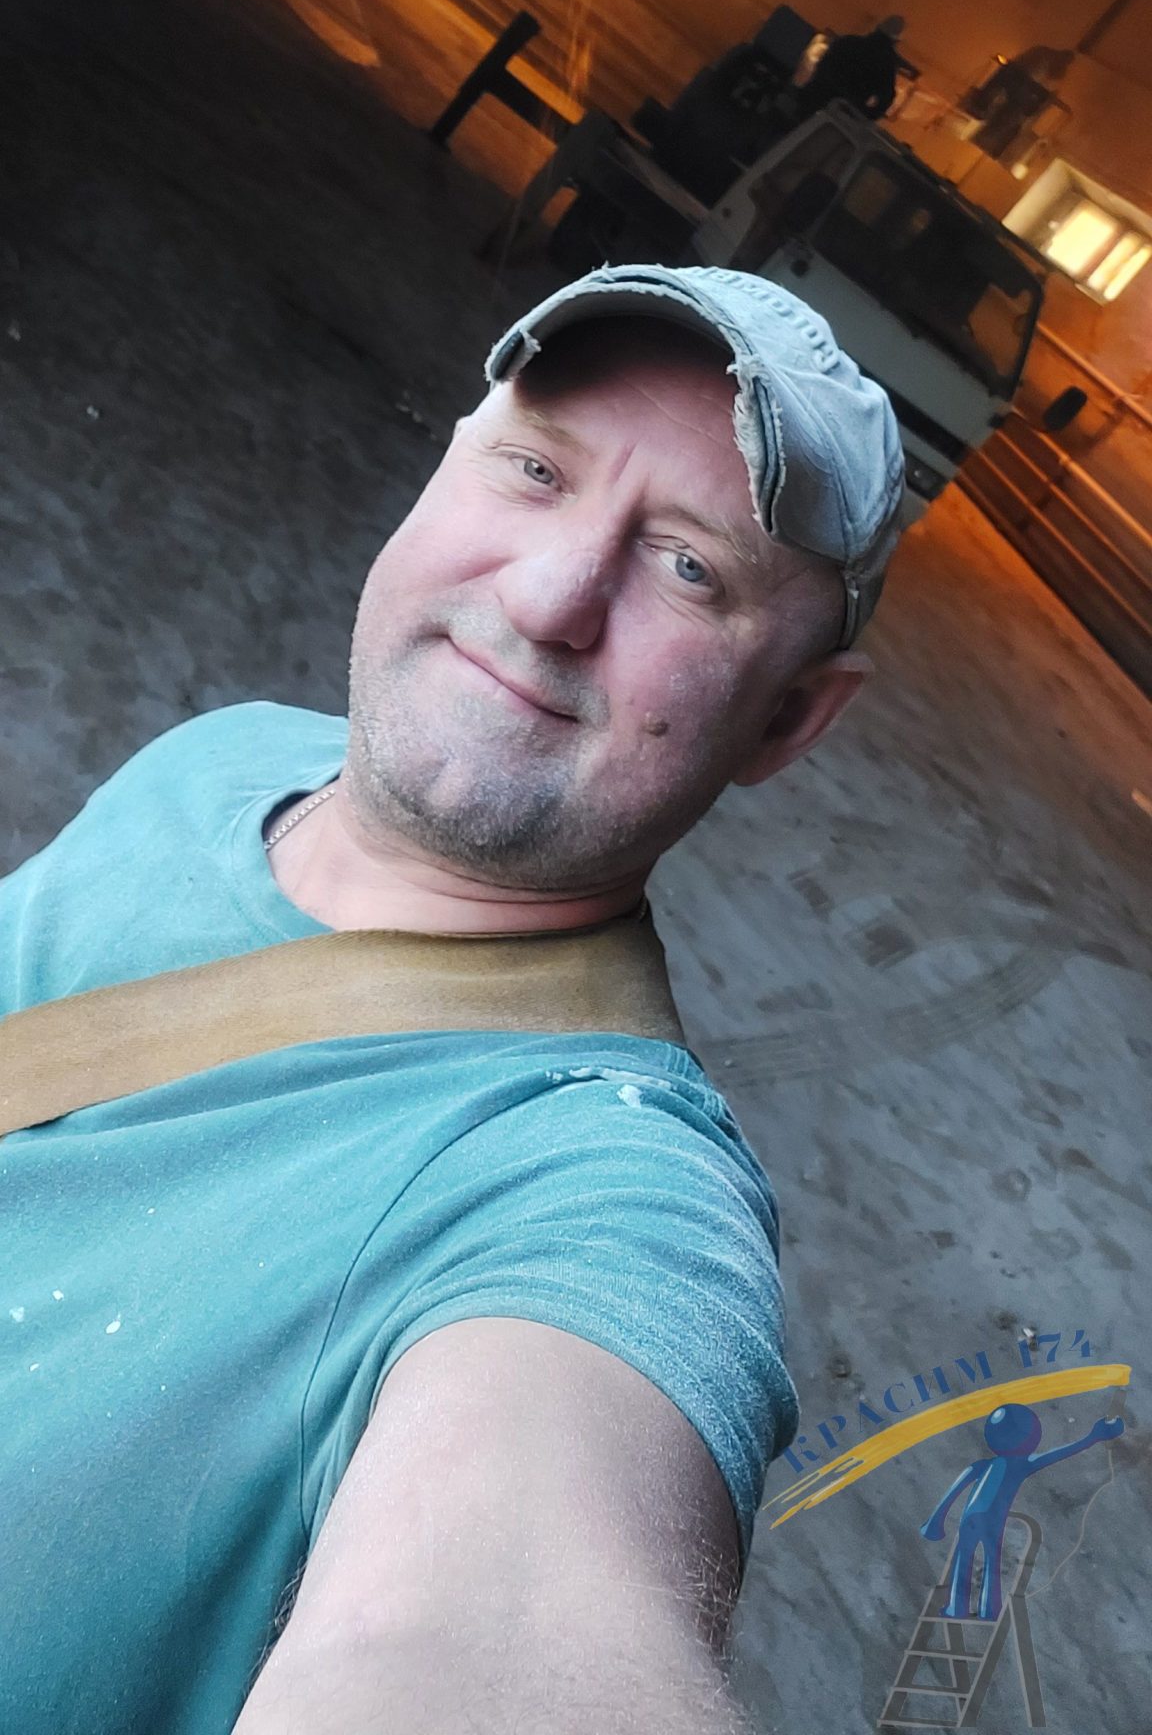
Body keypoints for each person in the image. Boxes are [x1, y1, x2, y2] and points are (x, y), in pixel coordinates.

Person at [0, 262, 905, 1735]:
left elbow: (519, 1620)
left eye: (689, 569)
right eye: (536, 470)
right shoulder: (230, 754)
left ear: (790, 719)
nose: (549, 599)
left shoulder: (591, 1197)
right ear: (448, 465)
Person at [921, 1401, 1124, 1620]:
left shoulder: (980, 1466)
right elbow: (1058, 1454)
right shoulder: (1022, 1465)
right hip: (993, 1521)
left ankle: (956, 1608)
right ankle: (988, 1610)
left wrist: (936, 1521)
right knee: (991, 1562)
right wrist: (1093, 1437)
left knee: (964, 1558)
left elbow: (952, 1492)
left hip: (970, 1519)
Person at [792, 14, 905, 124]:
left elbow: (823, 65)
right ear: (896, 41)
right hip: (841, 117)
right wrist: (863, 116)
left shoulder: (848, 42)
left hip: (814, 98)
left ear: (877, 29)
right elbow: (885, 100)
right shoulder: (887, 67)